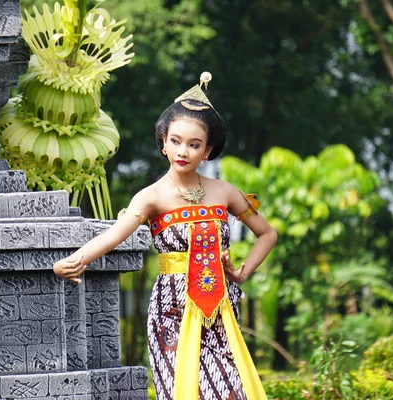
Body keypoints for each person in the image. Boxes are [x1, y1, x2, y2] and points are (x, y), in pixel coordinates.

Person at [53, 72, 277, 400]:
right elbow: (115, 235)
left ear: (207, 150)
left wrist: (242, 273)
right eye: (175, 141)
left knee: (231, 392)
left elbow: (267, 234)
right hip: (172, 308)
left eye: (193, 144)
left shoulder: (226, 193)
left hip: (220, 309)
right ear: (163, 143)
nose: (183, 150)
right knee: (184, 392)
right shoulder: (151, 197)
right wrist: (75, 260)